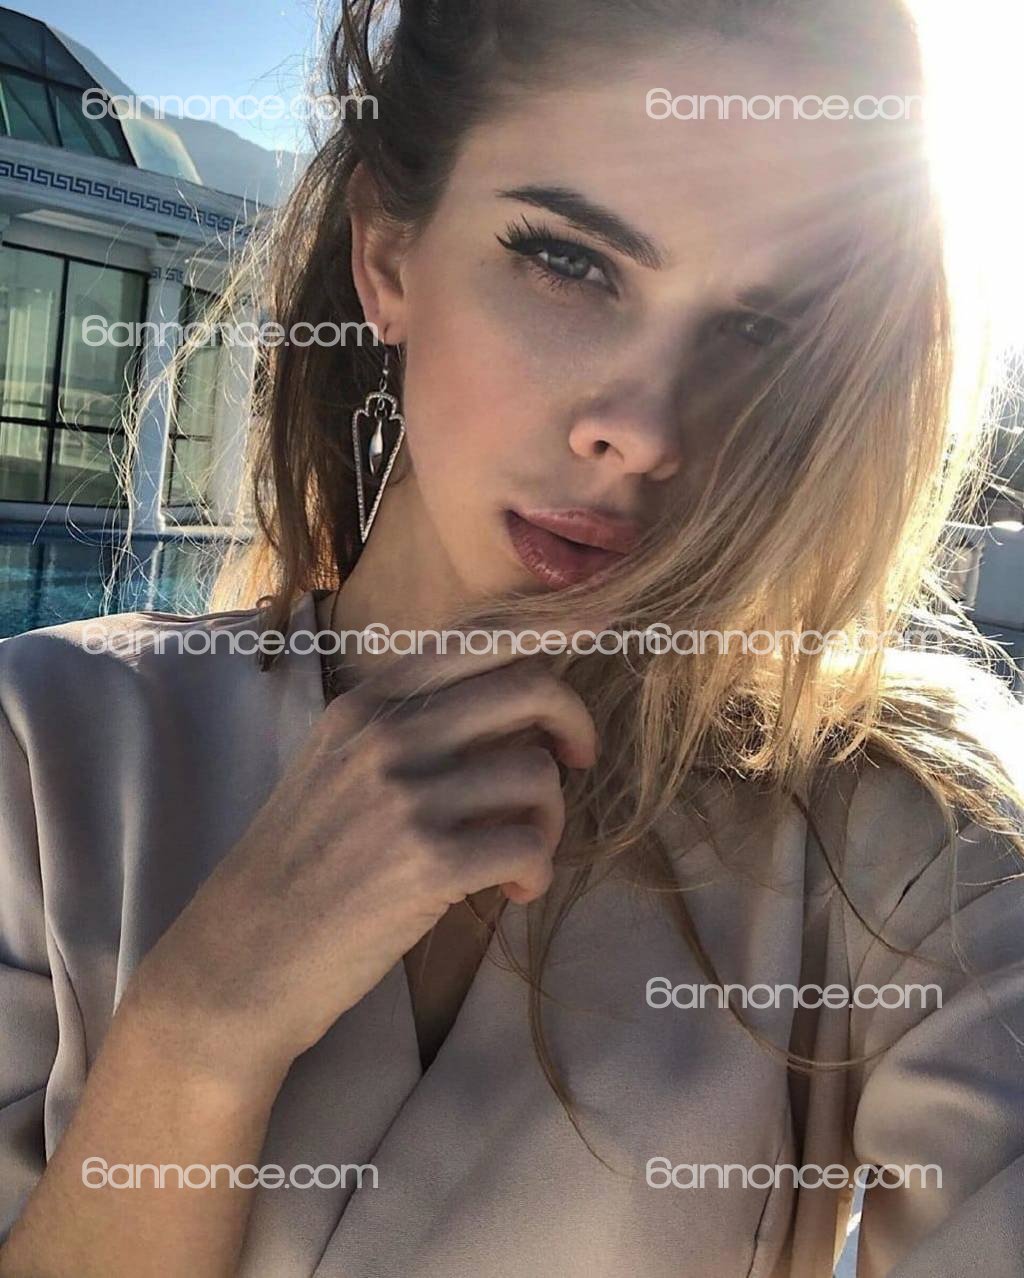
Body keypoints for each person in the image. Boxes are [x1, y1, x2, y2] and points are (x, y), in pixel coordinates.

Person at [1, 1, 1023, 1275]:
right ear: (387, 256)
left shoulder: (900, 831)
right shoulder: (43, 750)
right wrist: (198, 1026)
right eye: (570, 263)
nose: (643, 430)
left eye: (763, 330)